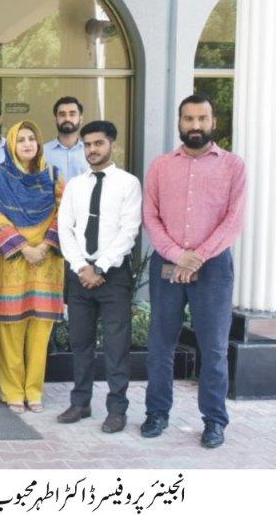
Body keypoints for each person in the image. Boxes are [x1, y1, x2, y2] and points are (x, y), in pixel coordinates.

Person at [141, 94, 245, 449]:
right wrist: (176, 255)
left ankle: (214, 421)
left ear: (213, 122)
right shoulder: (160, 166)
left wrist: (196, 256)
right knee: (160, 344)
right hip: (167, 262)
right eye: (189, 119)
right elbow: (150, 216)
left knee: (213, 348)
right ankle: (157, 412)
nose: (195, 125)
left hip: (213, 266)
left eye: (202, 119)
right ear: (179, 122)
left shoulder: (233, 166)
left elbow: (233, 221)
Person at [56, 121, 142, 433]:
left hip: (114, 275)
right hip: (80, 274)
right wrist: (81, 267)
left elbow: (129, 231)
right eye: (87, 144)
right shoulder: (75, 186)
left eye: (98, 144)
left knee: (116, 345)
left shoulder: (128, 184)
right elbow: (65, 228)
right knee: (80, 343)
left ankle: (117, 410)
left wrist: (101, 267)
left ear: (112, 145)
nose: (92, 149)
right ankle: (80, 402)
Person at [0, 121, 65, 414]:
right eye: (21, 140)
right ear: (10, 145)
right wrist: (24, 248)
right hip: (13, 261)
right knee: (10, 328)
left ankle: (34, 391)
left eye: (32, 138)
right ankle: (12, 391)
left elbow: (64, 212)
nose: (28, 144)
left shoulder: (54, 175)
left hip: (46, 261)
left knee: (39, 330)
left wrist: (44, 246)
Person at [44, 96, 90, 183]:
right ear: (55, 120)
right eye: (62, 114)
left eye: (72, 114)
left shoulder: (90, 151)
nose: (67, 119)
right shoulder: (43, 152)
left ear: (80, 119)